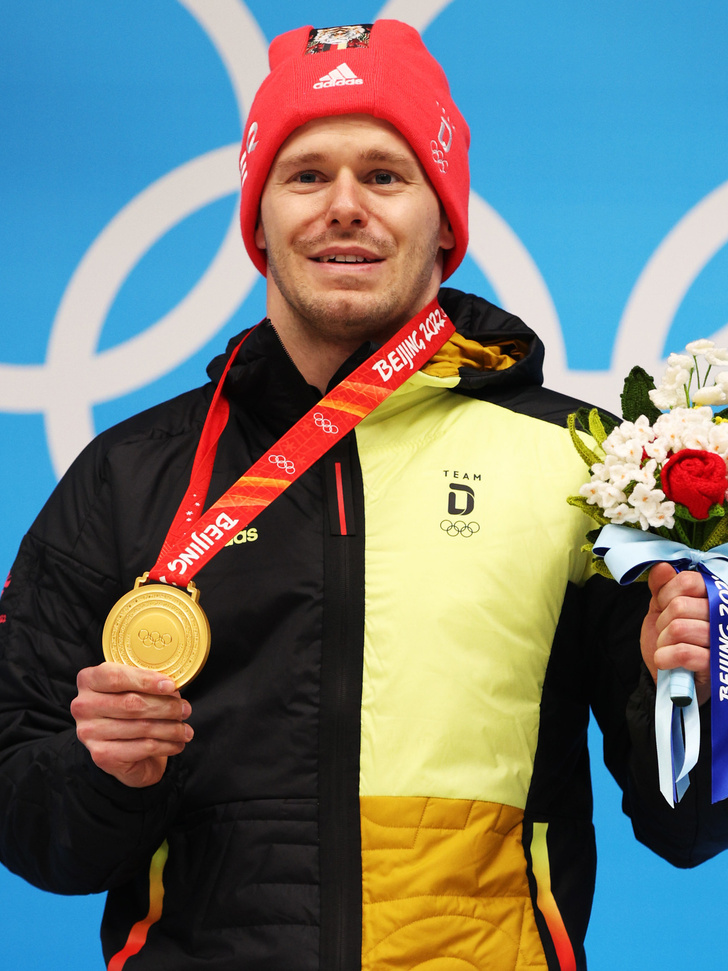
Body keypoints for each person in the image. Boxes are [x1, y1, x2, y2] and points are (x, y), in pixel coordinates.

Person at [0, 19, 725, 971]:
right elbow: (28, 822)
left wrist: (697, 687)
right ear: (259, 222)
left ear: (445, 222)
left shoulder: (579, 464)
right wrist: (103, 772)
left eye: (385, 175)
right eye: (306, 176)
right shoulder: (129, 474)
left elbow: (689, 828)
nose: (345, 207)